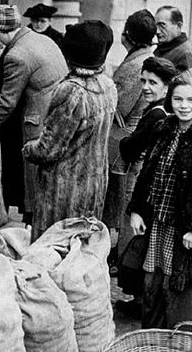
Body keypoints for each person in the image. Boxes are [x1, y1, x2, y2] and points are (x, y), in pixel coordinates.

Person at [122, 69, 192, 328]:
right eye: (178, 99)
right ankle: (153, 341)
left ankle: (182, 342)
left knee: (181, 293)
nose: (184, 106)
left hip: (187, 231)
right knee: (152, 287)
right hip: (158, 223)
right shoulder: (163, 128)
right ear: (170, 100)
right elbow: (147, 174)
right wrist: (136, 210)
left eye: (191, 100)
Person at [0, 5, 68, 227]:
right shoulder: (39, 38)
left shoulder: (17, 55)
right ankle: (35, 226)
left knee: (34, 184)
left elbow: (7, 103)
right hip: (55, 115)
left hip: (38, 120)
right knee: (46, 183)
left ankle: (34, 233)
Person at [22, 20, 117, 241]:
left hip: (64, 191)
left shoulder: (72, 92)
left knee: (54, 251)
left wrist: (28, 149)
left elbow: (48, 149)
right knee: (82, 250)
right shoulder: (107, 85)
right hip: (94, 184)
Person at [102, 9, 158, 270]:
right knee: (123, 197)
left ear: (130, 36)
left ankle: (121, 258)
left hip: (126, 138)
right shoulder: (144, 58)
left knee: (123, 198)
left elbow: (119, 107)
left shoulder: (135, 65)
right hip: (132, 135)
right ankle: (121, 254)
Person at [153, 6, 192, 71]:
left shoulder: (187, 54)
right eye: (156, 26)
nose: (157, 31)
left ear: (178, 26)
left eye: (162, 25)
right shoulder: (163, 48)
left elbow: (188, 80)